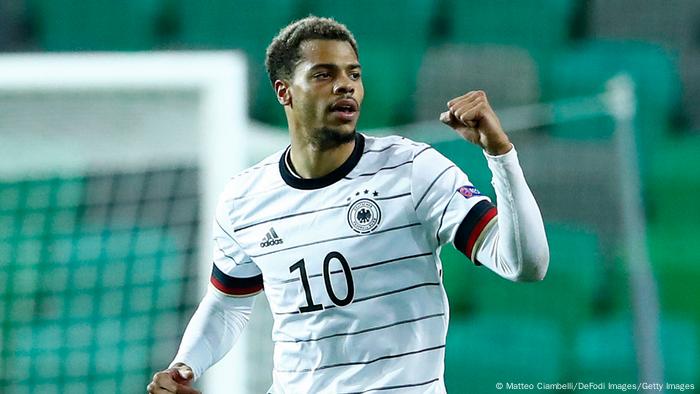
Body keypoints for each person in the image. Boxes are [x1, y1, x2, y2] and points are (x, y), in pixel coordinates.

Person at [147, 16, 549, 394]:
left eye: (354, 74)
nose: (346, 86)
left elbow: (525, 265)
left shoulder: (412, 169)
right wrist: (185, 366)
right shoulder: (244, 198)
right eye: (324, 74)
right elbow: (227, 305)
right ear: (283, 90)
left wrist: (501, 155)